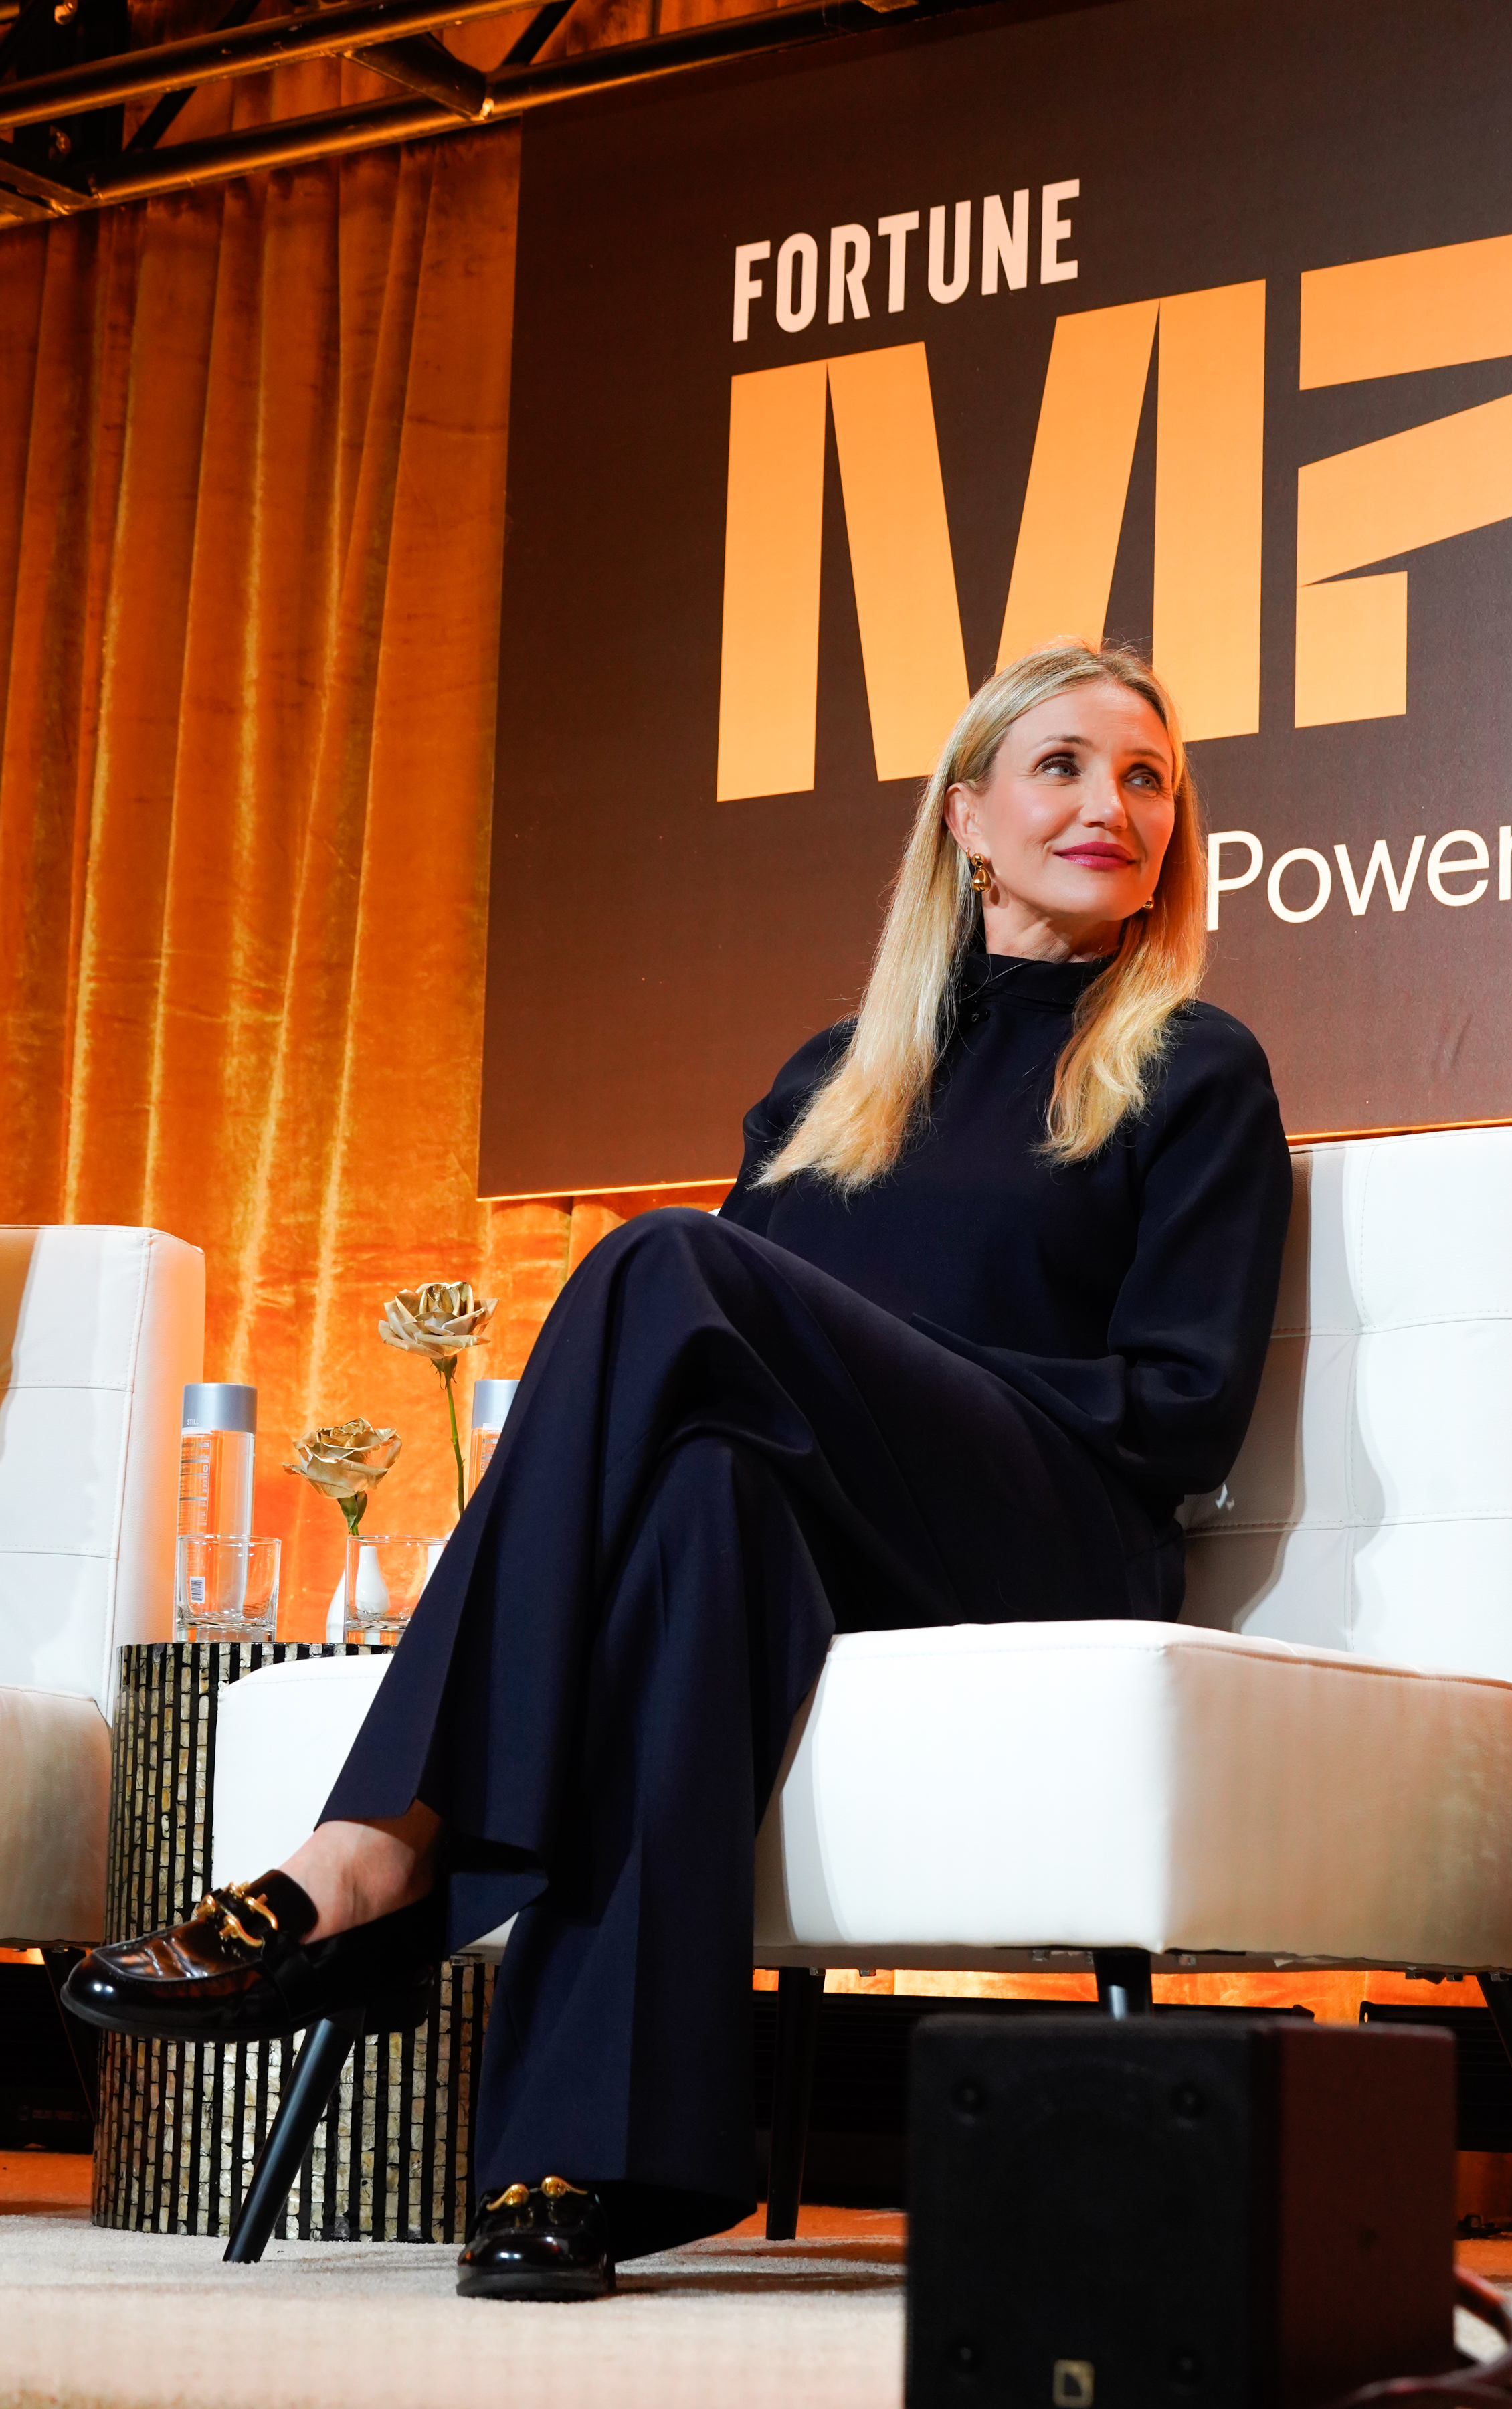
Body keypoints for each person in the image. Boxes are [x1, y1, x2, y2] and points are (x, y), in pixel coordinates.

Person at [68, 640, 1292, 2299]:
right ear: (967, 823)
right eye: (1067, 765)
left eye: (1149, 779)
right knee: (703, 1509)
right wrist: (829, 1385)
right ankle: (583, 2164)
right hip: (829, 1537)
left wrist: (886, 1376)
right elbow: (711, 1392)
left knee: (662, 1268)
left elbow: (1177, 1410)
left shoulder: (1193, 1065)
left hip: (1050, 1535)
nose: (1116, 804)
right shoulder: (828, 1085)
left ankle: (375, 1850)